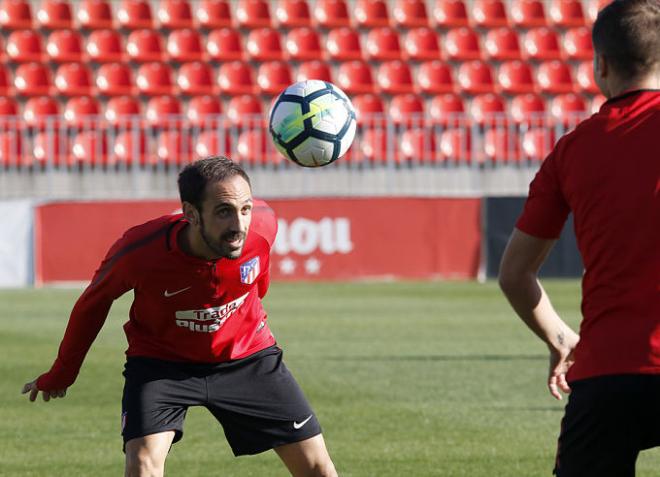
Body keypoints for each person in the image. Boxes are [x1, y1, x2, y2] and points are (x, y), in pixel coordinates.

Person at [22, 156, 338, 477]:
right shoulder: (139, 251)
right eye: (224, 211)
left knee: (318, 468)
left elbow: (258, 283)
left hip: (247, 358)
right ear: (191, 214)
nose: (239, 224)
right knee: (143, 463)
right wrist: (63, 372)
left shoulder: (264, 224)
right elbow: (94, 302)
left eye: (245, 209)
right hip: (162, 364)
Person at [499, 1, 660, 476]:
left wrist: (560, 339)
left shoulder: (572, 150)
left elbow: (515, 273)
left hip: (608, 374)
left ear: (602, 64)